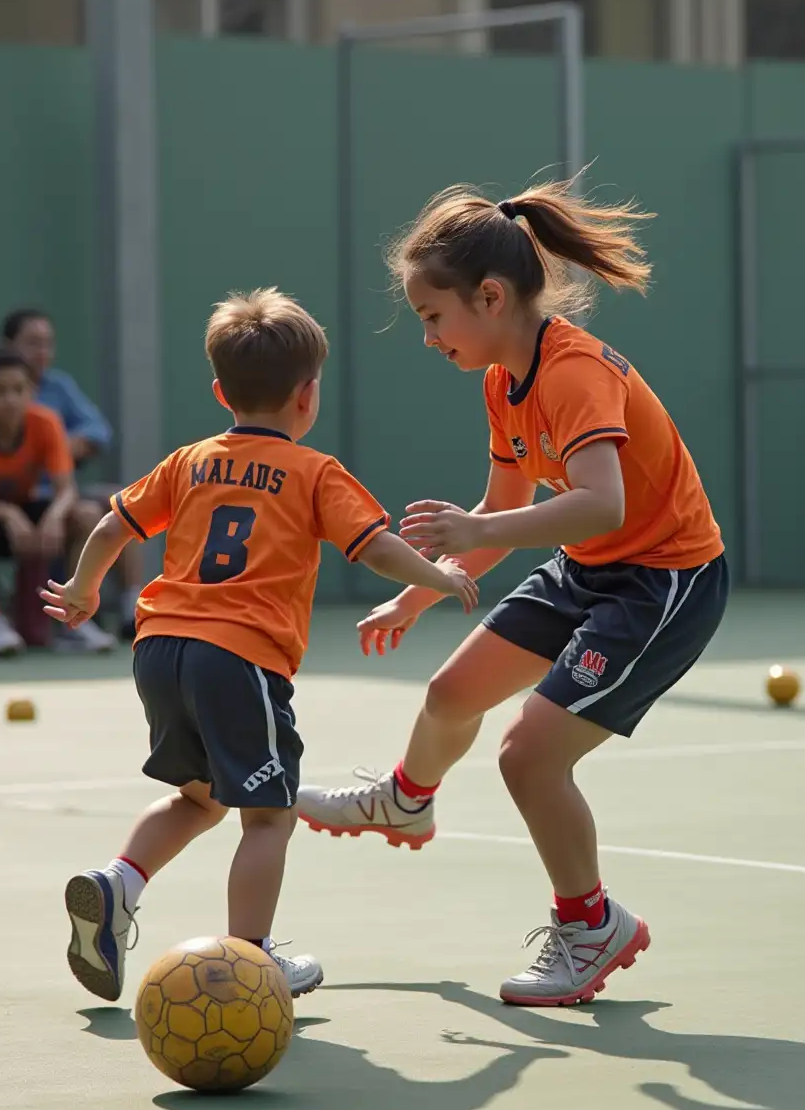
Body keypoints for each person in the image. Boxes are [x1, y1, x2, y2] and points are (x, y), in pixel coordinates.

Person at [296, 181, 730, 1007]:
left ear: (489, 297)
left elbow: (605, 503)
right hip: (589, 565)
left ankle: (590, 923)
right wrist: (417, 597)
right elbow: (503, 509)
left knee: (529, 755)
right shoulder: (503, 380)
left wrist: (478, 534)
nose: (426, 337)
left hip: (662, 580)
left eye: (432, 316)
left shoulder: (574, 375)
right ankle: (405, 802)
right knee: (450, 691)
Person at [40, 288, 479, 1004]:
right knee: (268, 814)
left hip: (159, 648)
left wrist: (86, 590)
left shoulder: (190, 460)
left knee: (199, 798)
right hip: (238, 658)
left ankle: (117, 883)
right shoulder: (314, 473)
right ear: (308, 397)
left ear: (220, 393)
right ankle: (248, 964)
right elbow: (375, 550)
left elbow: (112, 528)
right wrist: (439, 574)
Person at [2, 308, 137, 644]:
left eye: (47, 343)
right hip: (21, 496)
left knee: (128, 503)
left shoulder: (59, 387)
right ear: (9, 346)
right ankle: (71, 617)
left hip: (62, 490)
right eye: (32, 343)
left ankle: (131, 606)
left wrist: (60, 446)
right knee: (87, 514)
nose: (42, 352)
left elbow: (99, 432)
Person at [0, 345, 108, 656]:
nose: (11, 399)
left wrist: (55, 516)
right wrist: (6, 513)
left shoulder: (45, 422)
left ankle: (74, 619)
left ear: (31, 392)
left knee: (86, 514)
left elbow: (66, 489)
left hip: (28, 518)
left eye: (19, 389)